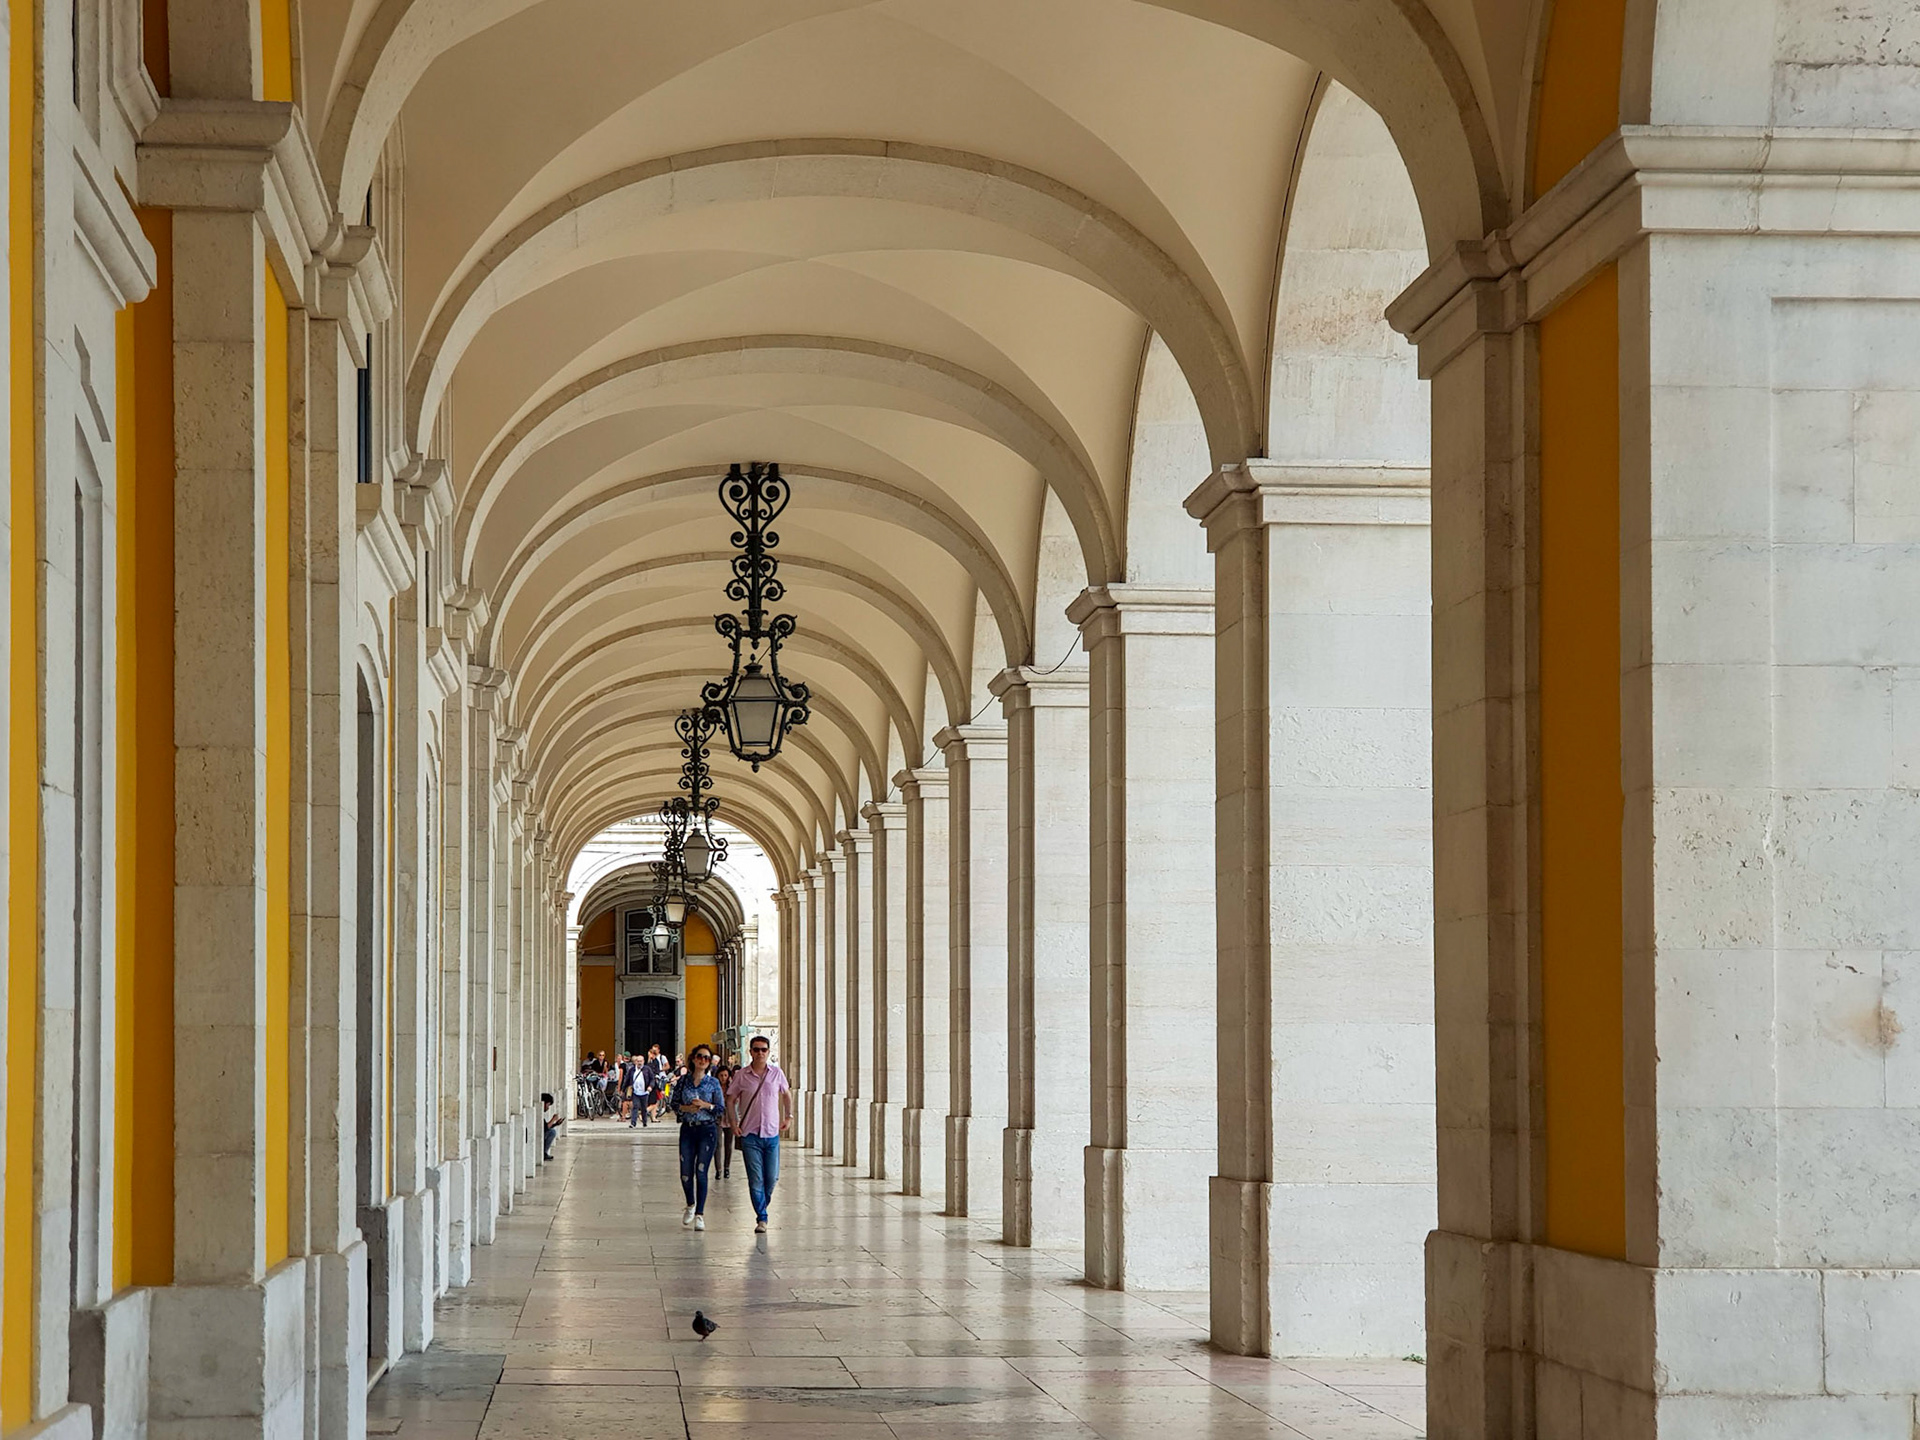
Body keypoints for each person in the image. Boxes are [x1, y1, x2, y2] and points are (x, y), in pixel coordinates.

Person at [726, 1036, 791, 1233]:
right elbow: (730, 1099)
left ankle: (762, 1204)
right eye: (756, 1049)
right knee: (755, 1179)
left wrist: (789, 1117)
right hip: (750, 1134)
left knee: (771, 1178)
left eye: (763, 1049)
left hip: (771, 1133)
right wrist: (733, 1123)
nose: (760, 1053)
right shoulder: (742, 1075)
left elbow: (786, 1094)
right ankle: (762, 1217)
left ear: (768, 1052)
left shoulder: (777, 1073)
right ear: (751, 1052)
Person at [674, 1045, 726, 1231]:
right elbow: (674, 1103)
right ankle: (690, 1203)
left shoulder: (713, 1083)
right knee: (686, 1172)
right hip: (688, 1129)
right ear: (693, 1059)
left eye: (707, 1058)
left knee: (701, 1171)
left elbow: (720, 1108)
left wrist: (705, 1105)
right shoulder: (683, 1081)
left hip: (707, 1130)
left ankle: (700, 1214)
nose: (703, 1060)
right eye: (700, 1056)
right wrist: (686, 1108)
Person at [712, 1062, 735, 1179]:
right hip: (718, 1118)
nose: (723, 1078)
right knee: (717, 1144)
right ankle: (718, 1169)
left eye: (725, 1075)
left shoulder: (733, 1087)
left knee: (728, 1144)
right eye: (721, 1075)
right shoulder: (714, 1087)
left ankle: (727, 1168)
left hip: (729, 1118)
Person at [541, 1092, 560, 1160]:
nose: (548, 1108)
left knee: (551, 1131)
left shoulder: (540, 1113)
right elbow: (545, 1128)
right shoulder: (538, 1113)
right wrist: (553, 1119)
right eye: (548, 1105)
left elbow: (545, 1126)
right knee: (552, 1132)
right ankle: (544, 1153)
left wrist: (555, 1124)